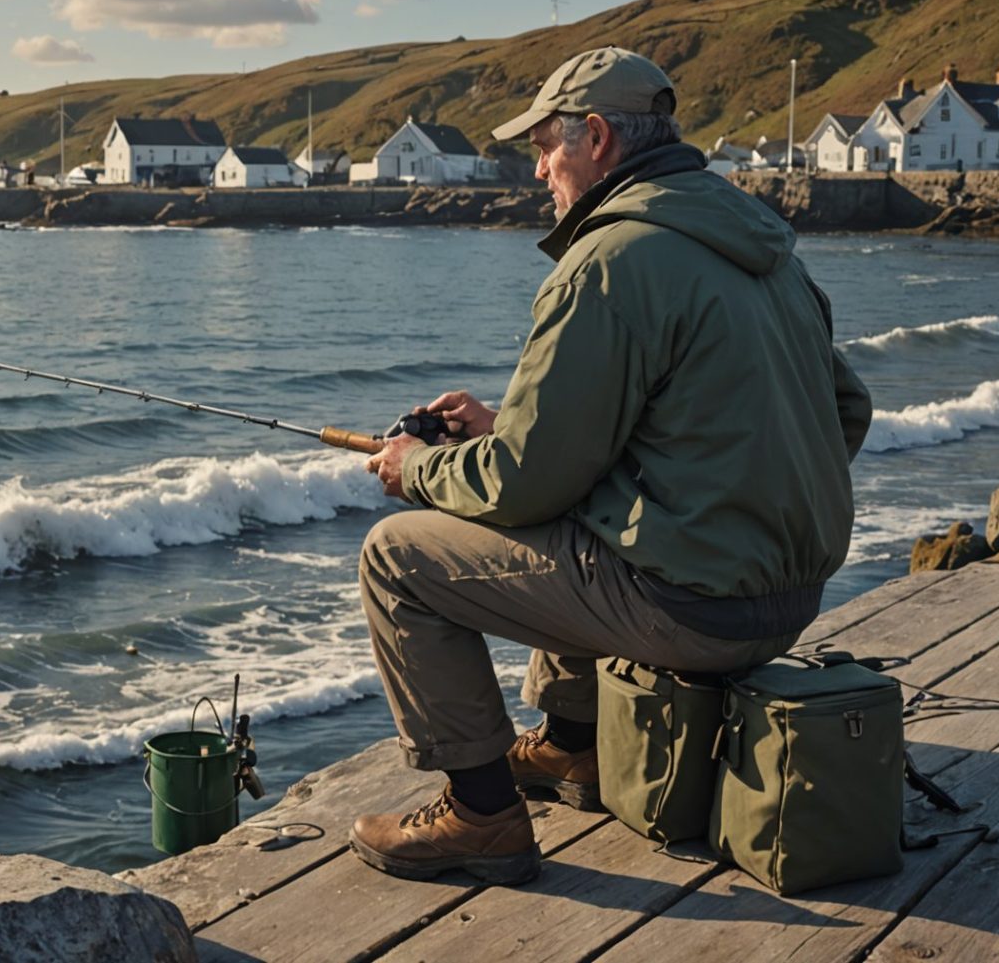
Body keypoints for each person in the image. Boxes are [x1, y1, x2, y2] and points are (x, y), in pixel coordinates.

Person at [347, 46, 872, 885]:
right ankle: (570, 748)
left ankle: (482, 816)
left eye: (546, 146)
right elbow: (847, 412)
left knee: (396, 557)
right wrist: (718, 502)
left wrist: (417, 469)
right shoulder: (765, 250)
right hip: (792, 595)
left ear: (595, 137)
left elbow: (525, 482)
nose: (539, 168)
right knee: (590, 499)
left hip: (697, 610)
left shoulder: (610, 260)